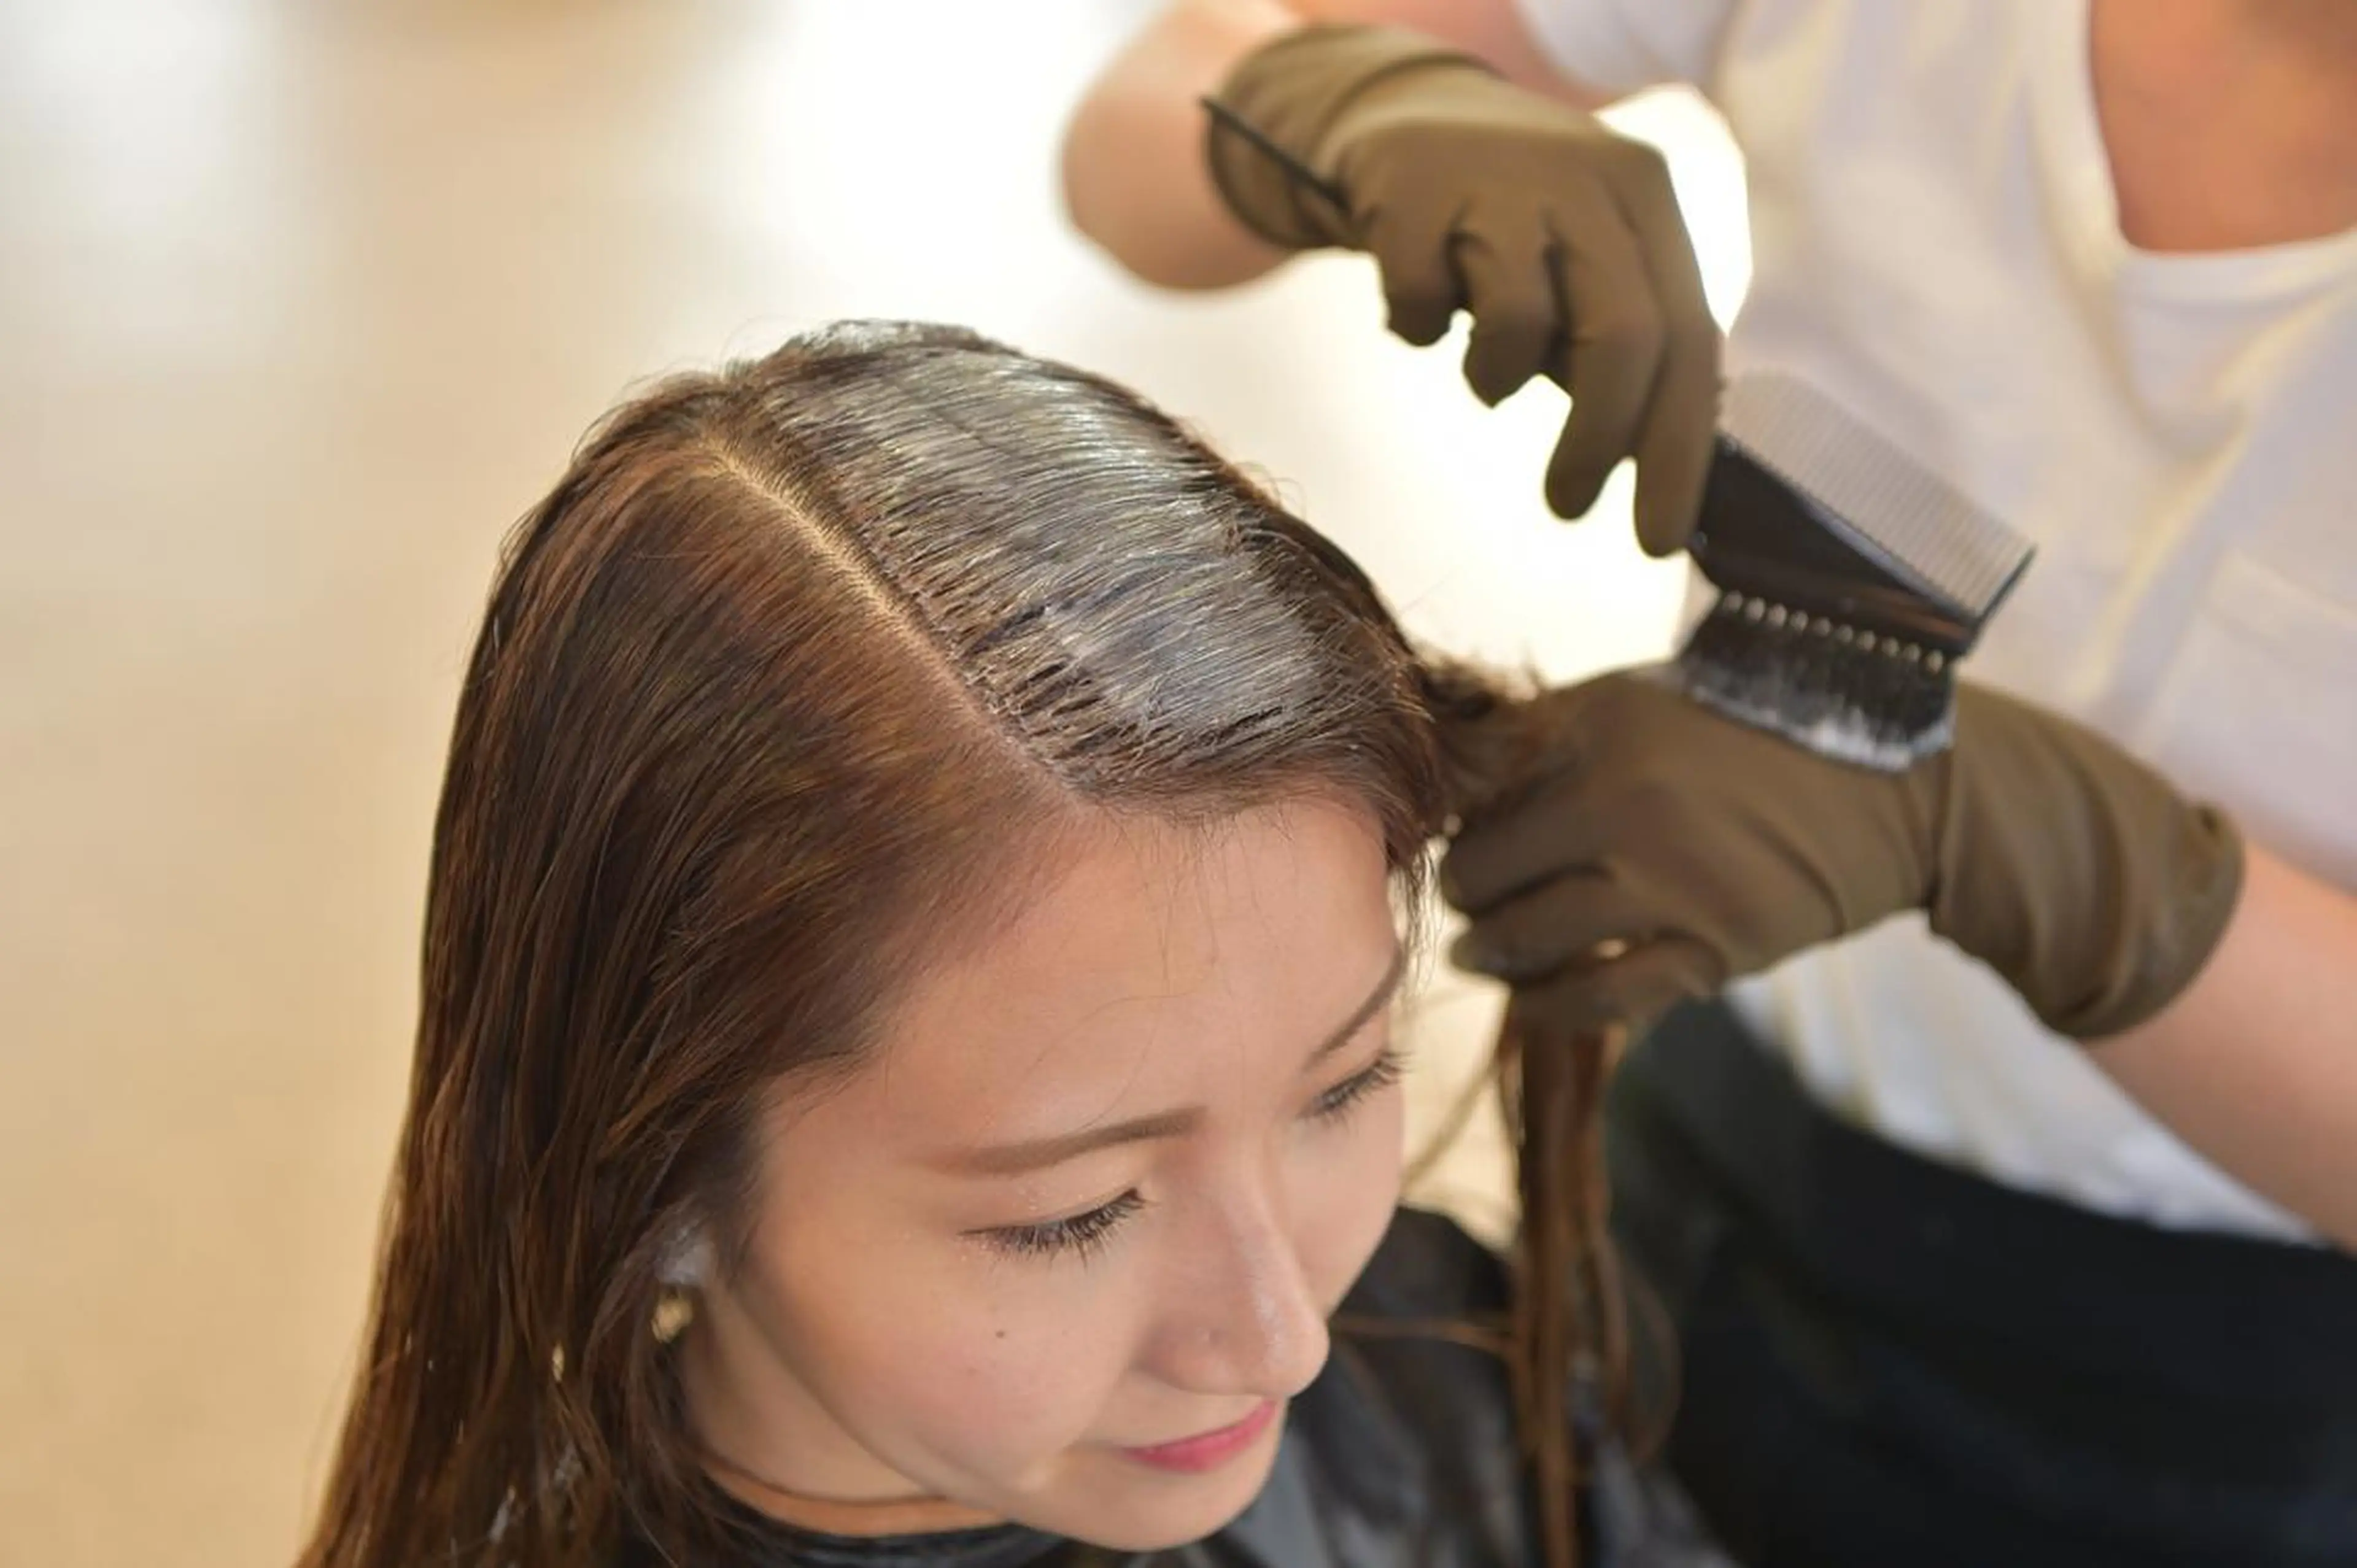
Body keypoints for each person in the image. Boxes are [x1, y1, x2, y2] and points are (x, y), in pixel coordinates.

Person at [1064, 2, 2357, 1564]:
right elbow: (1130, 135)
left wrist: (2041, 852)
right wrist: (1328, 103)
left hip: (2210, 1382)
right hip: (1701, 1112)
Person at [296, 322, 1742, 1568]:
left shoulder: (1444, 1348)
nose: (1281, 1333)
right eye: (1076, 1211)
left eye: (1345, 1083)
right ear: (655, 1175)